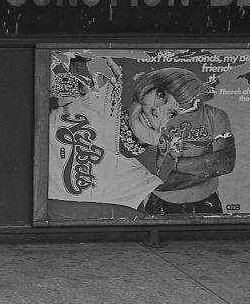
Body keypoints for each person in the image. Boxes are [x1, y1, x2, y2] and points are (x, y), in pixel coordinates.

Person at [47, 54, 178, 220]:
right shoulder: (100, 90)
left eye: (172, 114)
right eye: (160, 94)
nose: (157, 110)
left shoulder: (149, 179)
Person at [140, 68, 236, 215]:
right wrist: (204, 170)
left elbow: (224, 164)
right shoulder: (152, 119)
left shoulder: (216, 116)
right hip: (160, 204)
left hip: (207, 202)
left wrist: (174, 164)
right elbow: (155, 179)